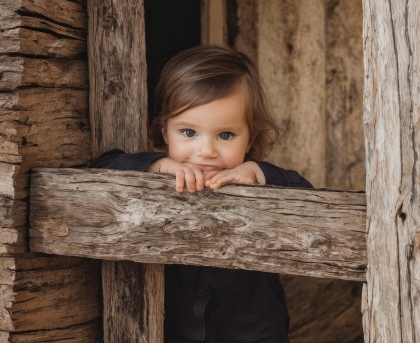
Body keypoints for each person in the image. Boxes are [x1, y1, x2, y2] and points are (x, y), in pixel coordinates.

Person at [92, 45, 312, 343]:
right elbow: (102, 169)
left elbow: (310, 201)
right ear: (164, 131)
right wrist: (157, 165)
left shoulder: (254, 179)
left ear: (250, 139)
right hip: (172, 328)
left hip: (253, 331)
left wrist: (258, 173)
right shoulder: (157, 168)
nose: (206, 151)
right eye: (189, 133)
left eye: (225, 135)